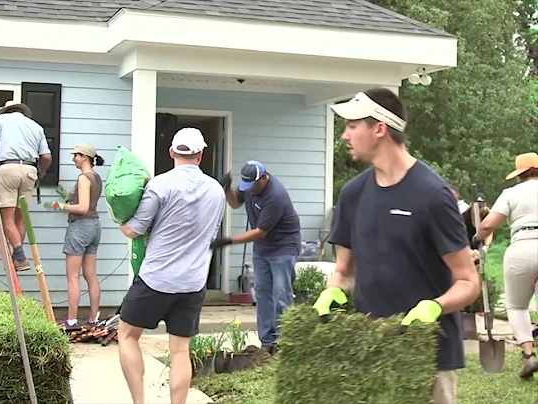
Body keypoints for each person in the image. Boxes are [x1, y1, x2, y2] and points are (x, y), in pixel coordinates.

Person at [311, 88, 480, 404]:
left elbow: (468, 281)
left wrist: (436, 306)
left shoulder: (433, 195)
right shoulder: (352, 195)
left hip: (428, 354)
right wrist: (333, 290)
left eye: (352, 126)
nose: (344, 135)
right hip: (371, 349)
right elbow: (345, 271)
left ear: (379, 129)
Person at [117, 128, 225, 404]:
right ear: (201, 154)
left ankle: (139, 402)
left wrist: (120, 218)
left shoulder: (160, 185)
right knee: (180, 351)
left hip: (156, 278)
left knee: (127, 335)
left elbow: (133, 230)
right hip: (193, 282)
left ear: (171, 152)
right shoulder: (216, 191)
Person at [210, 161, 301, 355]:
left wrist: (228, 240)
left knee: (282, 294)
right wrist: (226, 190)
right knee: (262, 293)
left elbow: (260, 232)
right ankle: (267, 343)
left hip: (283, 248)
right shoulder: (252, 187)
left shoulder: (275, 197)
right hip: (263, 250)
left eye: (253, 186)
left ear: (264, 177)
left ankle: (287, 343)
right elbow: (235, 203)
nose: (249, 190)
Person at [474, 152, 538, 379]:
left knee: (517, 306)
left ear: (520, 174)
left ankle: (529, 355)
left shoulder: (511, 193)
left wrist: (477, 237)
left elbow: (489, 224)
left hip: (521, 247)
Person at [0, 100, 52, 272]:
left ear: (6, 110)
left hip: (8, 167)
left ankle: (19, 254)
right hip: (29, 170)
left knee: (7, 217)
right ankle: (18, 256)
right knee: (21, 217)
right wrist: (41, 172)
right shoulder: (36, 126)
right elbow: (47, 157)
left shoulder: (0, 120)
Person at [53, 144, 105, 329]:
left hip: (80, 227)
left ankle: (72, 321)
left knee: (73, 276)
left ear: (84, 157)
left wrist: (60, 206)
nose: (74, 158)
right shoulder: (96, 177)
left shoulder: (83, 178)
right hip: (94, 227)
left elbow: (82, 208)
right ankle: (94, 319)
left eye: (76, 155)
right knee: (91, 275)